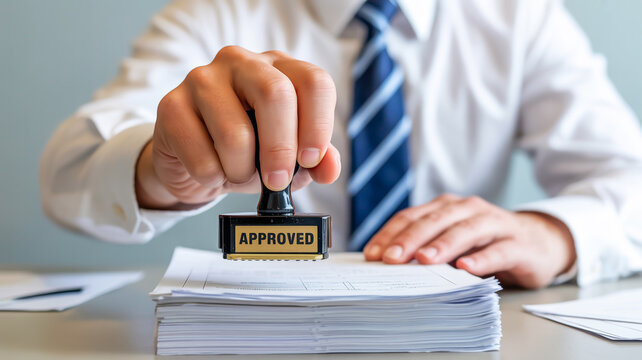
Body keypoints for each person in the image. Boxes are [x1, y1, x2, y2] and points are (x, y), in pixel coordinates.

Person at [40, 0, 642, 289]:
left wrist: (557, 232)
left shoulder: (520, 17)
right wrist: (156, 171)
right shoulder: (215, 14)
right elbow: (70, 176)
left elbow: (631, 178)